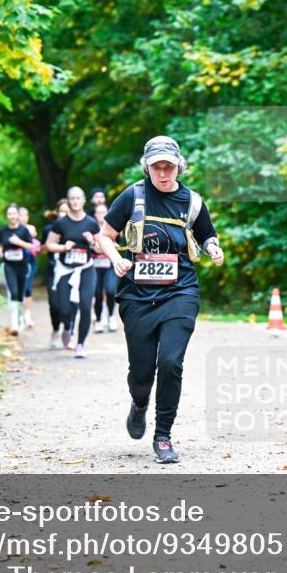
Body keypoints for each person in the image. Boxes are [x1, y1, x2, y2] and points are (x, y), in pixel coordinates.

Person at [97, 136, 224, 463]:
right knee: (142, 373)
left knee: (170, 362)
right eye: (157, 167)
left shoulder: (192, 201)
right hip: (137, 295)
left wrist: (212, 247)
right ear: (147, 167)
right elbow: (105, 236)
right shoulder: (133, 195)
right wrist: (115, 258)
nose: (163, 173)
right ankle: (139, 404)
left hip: (180, 290)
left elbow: (207, 232)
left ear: (178, 166)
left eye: (169, 166)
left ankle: (163, 436)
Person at [45, 186, 100, 358]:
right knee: (64, 309)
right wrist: (63, 247)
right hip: (65, 270)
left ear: (84, 200)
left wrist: (91, 241)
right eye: (72, 198)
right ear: (68, 201)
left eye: (78, 198)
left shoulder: (91, 223)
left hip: (86, 269)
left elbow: (100, 247)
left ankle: (80, 344)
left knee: (85, 306)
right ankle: (67, 326)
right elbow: (49, 245)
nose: (75, 201)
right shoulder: (61, 223)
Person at [0, 205, 35, 336]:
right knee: (13, 292)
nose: (12, 216)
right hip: (8, 266)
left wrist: (18, 242)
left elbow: (31, 247)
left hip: (22, 265)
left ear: (18, 215)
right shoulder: (2, 231)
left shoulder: (24, 230)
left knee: (20, 294)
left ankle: (20, 318)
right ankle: (14, 324)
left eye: (14, 213)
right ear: (7, 216)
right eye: (9, 214)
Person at [41, 199, 69, 348]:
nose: (64, 214)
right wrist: (52, 243)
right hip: (53, 269)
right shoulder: (48, 229)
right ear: (57, 213)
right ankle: (56, 329)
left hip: (70, 271)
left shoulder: (74, 228)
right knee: (54, 304)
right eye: (62, 211)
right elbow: (42, 249)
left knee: (67, 304)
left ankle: (67, 329)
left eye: (66, 211)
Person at [92, 202, 119, 333]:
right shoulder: (90, 227)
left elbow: (118, 245)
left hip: (109, 265)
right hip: (94, 267)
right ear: (95, 214)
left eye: (104, 212)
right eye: (99, 212)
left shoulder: (114, 227)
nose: (101, 215)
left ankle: (111, 316)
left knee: (110, 290)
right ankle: (98, 319)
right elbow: (94, 248)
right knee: (97, 294)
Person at [18, 206, 41, 329]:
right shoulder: (13, 229)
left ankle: (27, 315)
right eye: (20, 215)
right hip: (17, 263)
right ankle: (19, 315)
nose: (22, 218)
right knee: (18, 289)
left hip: (30, 261)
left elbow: (34, 243)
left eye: (25, 215)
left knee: (27, 289)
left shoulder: (30, 228)